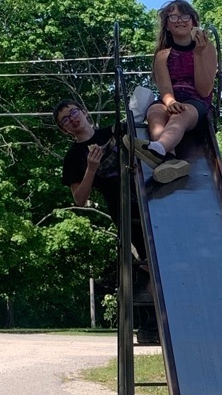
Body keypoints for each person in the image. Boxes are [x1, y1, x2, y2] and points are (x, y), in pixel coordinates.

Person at [52, 98, 159, 345]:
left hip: (152, 198)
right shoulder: (73, 157)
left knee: (157, 261)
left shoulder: (113, 131)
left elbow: (142, 107)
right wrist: (91, 168)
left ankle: (152, 322)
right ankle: (150, 325)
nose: (72, 119)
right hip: (124, 211)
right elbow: (80, 199)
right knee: (150, 261)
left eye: (73, 112)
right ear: (64, 129)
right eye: (65, 120)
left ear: (84, 111)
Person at [125, 0, 217, 185]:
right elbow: (165, 87)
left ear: (193, 21)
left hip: (196, 102)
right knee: (155, 111)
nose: (180, 21)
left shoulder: (206, 48)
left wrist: (198, 54)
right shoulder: (162, 55)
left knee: (179, 115)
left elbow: (205, 89)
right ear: (166, 26)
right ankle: (170, 160)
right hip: (171, 98)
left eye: (184, 16)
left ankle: (158, 148)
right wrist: (170, 102)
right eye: (173, 18)